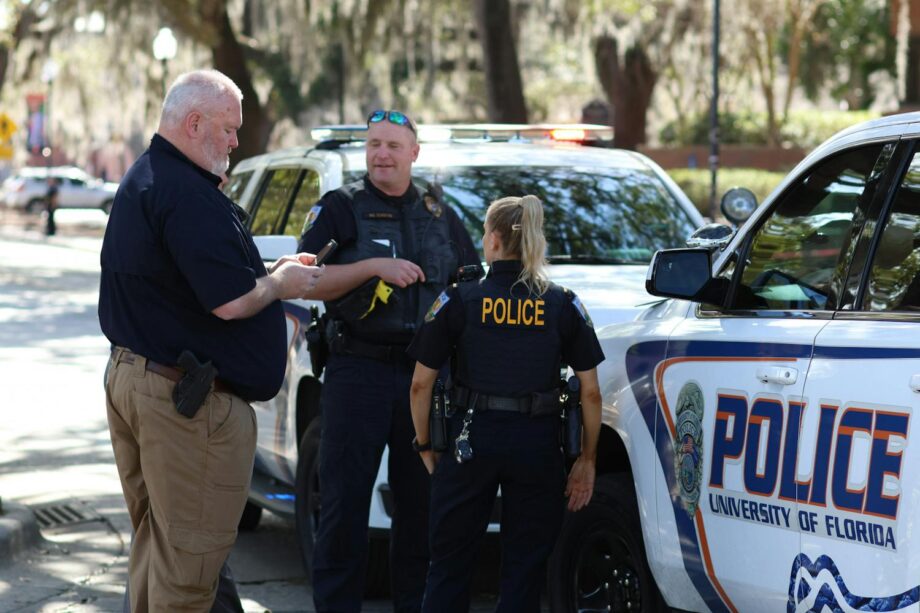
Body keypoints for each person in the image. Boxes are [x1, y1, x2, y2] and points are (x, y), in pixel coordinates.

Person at [98, 69, 324, 612]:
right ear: (194, 122)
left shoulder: (149, 176)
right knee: (186, 576)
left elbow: (194, 285)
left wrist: (268, 272)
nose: (234, 141)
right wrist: (281, 283)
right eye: (227, 128)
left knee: (161, 554)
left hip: (144, 381)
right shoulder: (185, 192)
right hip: (183, 405)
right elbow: (229, 301)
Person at [298, 109, 480, 612]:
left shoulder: (439, 213)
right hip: (358, 370)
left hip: (425, 378)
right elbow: (306, 280)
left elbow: (470, 284)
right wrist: (372, 266)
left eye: (393, 146)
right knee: (343, 506)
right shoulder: (339, 207)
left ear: (413, 154)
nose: (381, 154)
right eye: (374, 144)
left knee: (422, 508)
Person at [408, 194, 604, 612]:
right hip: (537, 445)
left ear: (494, 240)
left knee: (449, 566)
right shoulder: (562, 302)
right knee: (525, 571)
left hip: (469, 444)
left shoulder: (459, 299)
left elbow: (420, 385)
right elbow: (590, 391)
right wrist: (586, 459)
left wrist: (425, 445)